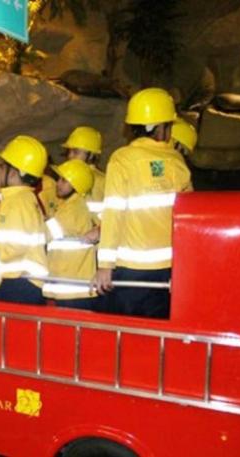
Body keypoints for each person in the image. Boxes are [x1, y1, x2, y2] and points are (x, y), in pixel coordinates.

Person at [93, 88, 192, 319]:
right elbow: (189, 216)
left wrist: (105, 265)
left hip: (131, 270)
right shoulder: (177, 161)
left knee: (127, 332)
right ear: (160, 127)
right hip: (169, 269)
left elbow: (114, 213)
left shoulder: (122, 159)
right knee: (157, 331)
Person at [0, 135, 49, 305]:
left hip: (19, 283)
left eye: (2, 166)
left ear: (13, 172)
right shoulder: (25, 198)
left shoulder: (17, 202)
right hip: (23, 282)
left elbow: (14, 247)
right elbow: (22, 235)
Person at [43, 159, 97, 310]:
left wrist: (41, 220)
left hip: (72, 286)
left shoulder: (73, 208)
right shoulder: (73, 205)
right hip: (73, 284)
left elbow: (48, 234)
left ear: (77, 185)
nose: (58, 184)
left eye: (64, 180)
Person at [63, 126, 105, 225]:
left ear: (91, 155)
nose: (70, 156)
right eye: (69, 151)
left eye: (76, 152)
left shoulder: (99, 181)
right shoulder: (68, 177)